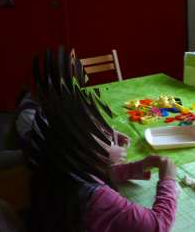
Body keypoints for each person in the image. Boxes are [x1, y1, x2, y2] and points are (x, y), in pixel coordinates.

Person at [24, 48, 179, 232]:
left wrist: (136, 167)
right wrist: (168, 181)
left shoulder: (62, 162)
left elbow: (95, 175)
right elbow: (157, 225)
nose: (110, 133)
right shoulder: (98, 199)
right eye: (98, 131)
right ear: (81, 144)